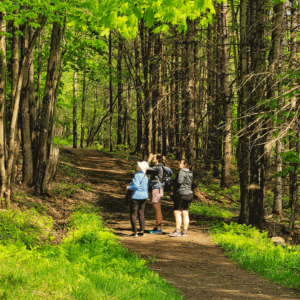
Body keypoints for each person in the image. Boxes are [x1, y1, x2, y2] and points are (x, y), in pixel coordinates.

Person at [169, 159, 193, 237]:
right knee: (185, 213)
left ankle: (177, 231)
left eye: (180, 163)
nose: (179, 164)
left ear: (184, 165)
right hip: (189, 194)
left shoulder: (182, 172)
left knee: (177, 212)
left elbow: (179, 182)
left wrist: (172, 182)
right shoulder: (190, 172)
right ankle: (184, 231)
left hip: (182, 194)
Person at [127, 161, 149, 238]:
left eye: (138, 165)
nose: (137, 166)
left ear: (140, 168)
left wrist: (128, 188)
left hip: (136, 196)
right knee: (141, 213)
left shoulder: (137, 175)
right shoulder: (145, 176)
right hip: (144, 196)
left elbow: (135, 186)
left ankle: (134, 232)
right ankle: (142, 231)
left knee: (133, 214)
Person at [146, 153, 167, 234]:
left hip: (157, 189)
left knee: (157, 209)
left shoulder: (158, 167)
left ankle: (159, 228)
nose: (152, 159)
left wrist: (148, 159)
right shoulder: (156, 167)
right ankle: (157, 226)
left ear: (157, 159)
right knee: (156, 209)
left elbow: (145, 169)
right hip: (156, 188)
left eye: (154, 157)